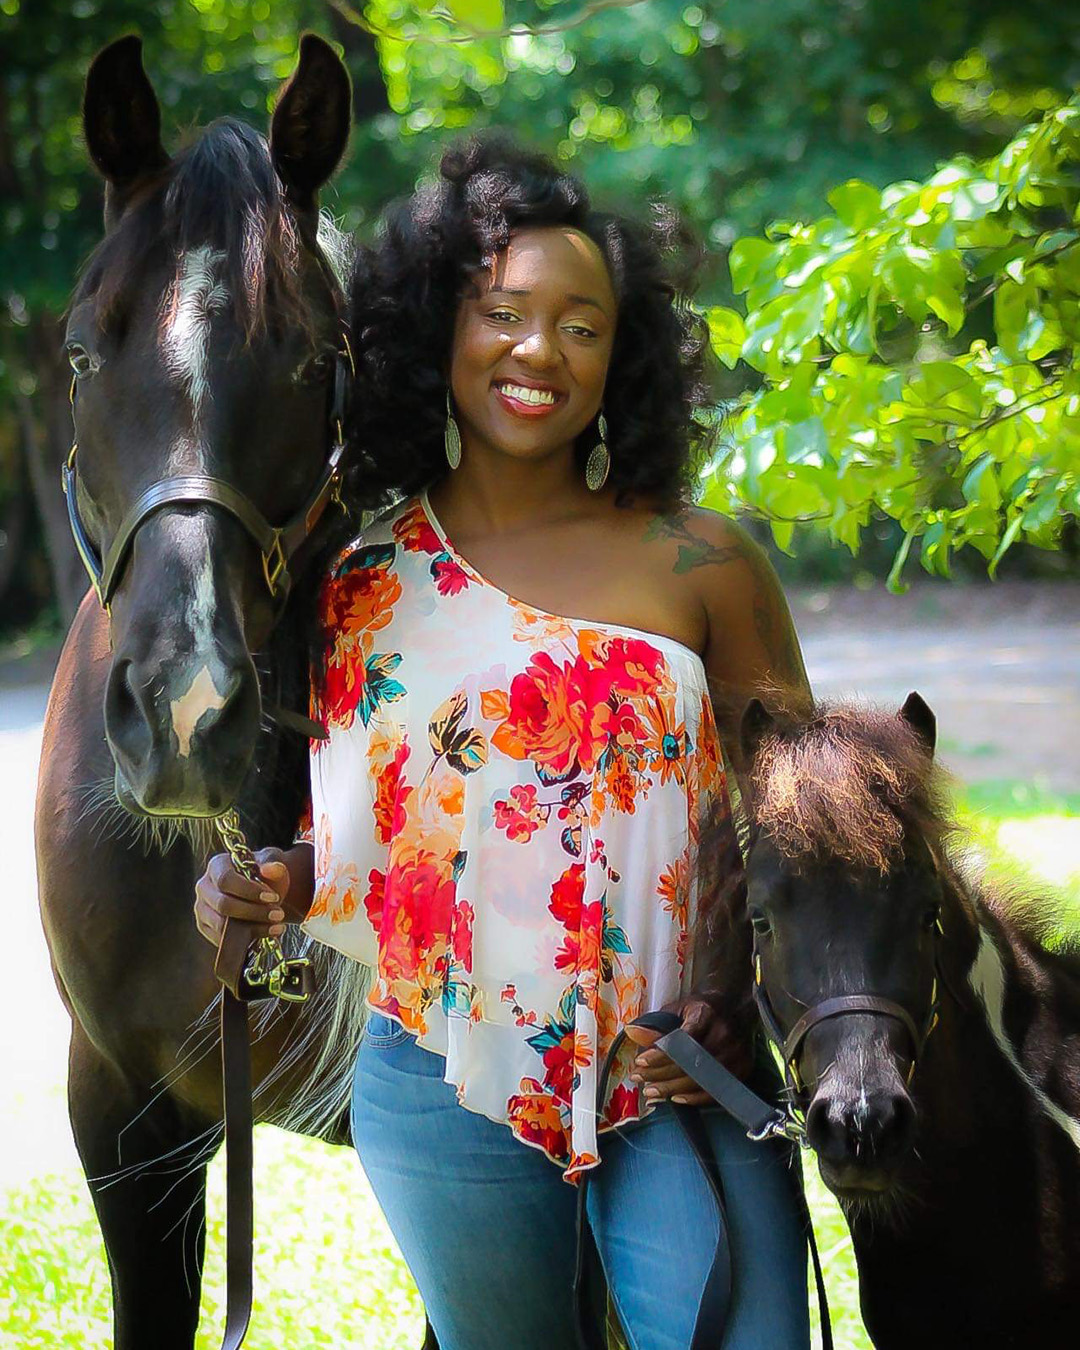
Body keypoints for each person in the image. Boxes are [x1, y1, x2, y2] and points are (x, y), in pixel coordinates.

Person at [194, 135, 813, 1350]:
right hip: (441, 1086)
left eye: (583, 324)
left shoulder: (702, 561)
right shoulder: (357, 583)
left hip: (680, 1074)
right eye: (505, 311)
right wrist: (267, 885)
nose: (541, 349)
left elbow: (809, 833)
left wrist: (740, 1003)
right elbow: (384, 854)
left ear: (620, 357)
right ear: (439, 333)